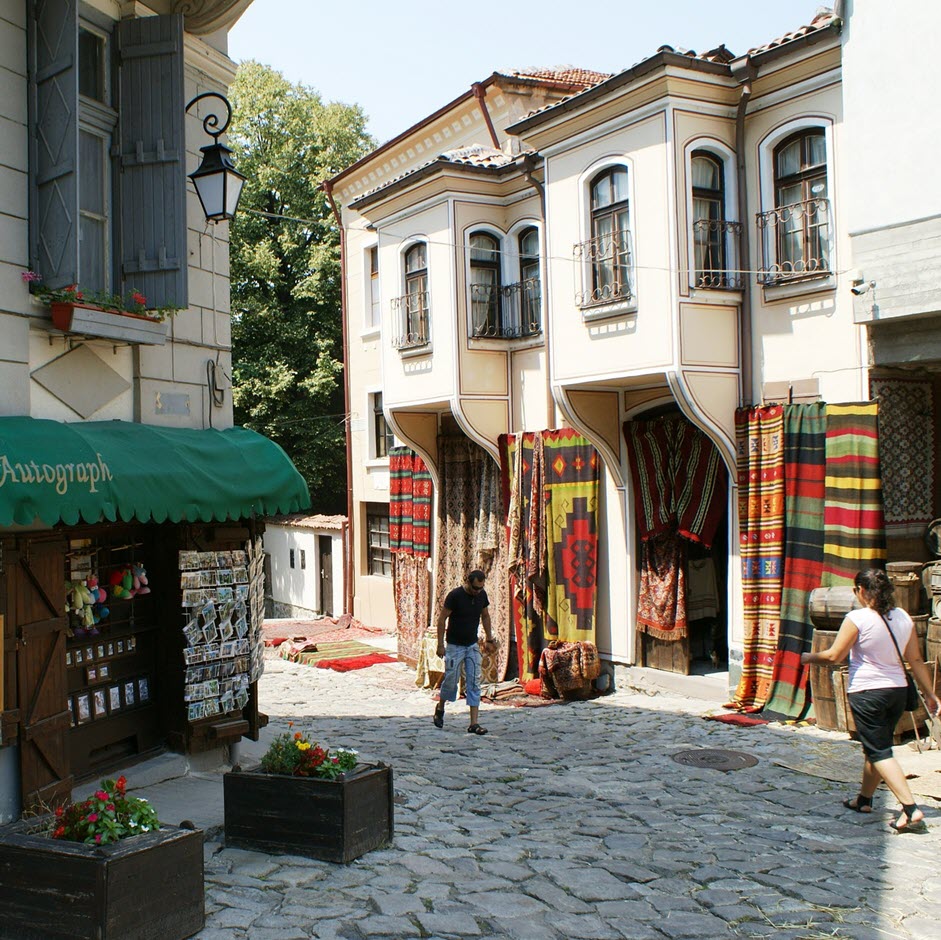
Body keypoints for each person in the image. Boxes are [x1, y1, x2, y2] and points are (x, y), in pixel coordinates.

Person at [801, 568, 941, 833]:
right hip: (897, 691)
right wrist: (931, 694)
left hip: (868, 692)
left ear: (861, 591)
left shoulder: (857, 618)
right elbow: (916, 660)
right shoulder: (902, 617)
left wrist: (808, 657)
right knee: (877, 746)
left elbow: (834, 655)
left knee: (879, 752)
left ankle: (910, 808)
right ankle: (864, 800)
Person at [433, 569, 496, 735]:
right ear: (468, 583)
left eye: (481, 588)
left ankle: (474, 723)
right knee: (451, 679)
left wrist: (489, 638)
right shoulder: (455, 596)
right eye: (475, 588)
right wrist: (440, 645)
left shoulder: (481, 596)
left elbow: (486, 616)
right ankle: (440, 707)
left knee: (474, 681)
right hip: (454, 645)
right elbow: (441, 620)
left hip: (471, 645)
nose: (478, 592)